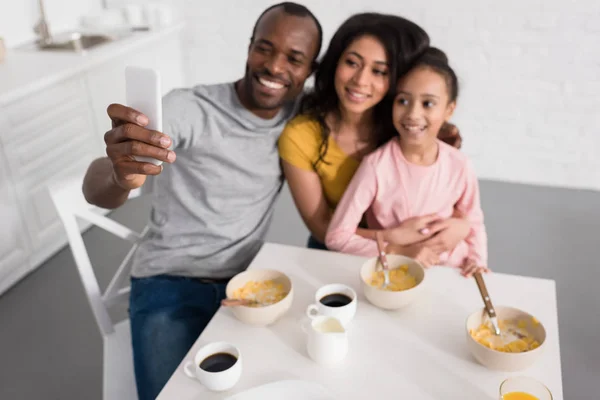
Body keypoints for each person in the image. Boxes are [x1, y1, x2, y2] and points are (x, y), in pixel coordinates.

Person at [81, 3, 322, 399]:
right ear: (248, 48)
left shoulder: (302, 118)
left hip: (251, 282)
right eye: (265, 48)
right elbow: (95, 189)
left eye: (294, 59)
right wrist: (118, 171)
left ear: (310, 69)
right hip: (169, 281)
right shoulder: (190, 108)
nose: (275, 66)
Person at [277, 13, 468, 262]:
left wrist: (461, 226)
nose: (360, 80)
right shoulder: (300, 137)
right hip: (336, 255)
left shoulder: (408, 126)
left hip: (415, 253)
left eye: (379, 71)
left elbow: (453, 202)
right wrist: (392, 239)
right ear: (335, 62)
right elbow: (323, 228)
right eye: (352, 63)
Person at [325, 47, 489, 276]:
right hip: (396, 274)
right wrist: (398, 251)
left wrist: (477, 260)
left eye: (428, 103)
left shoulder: (460, 165)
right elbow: (337, 237)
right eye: (403, 100)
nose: (412, 113)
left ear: (449, 110)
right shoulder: (376, 166)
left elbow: (473, 221)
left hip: (453, 274)